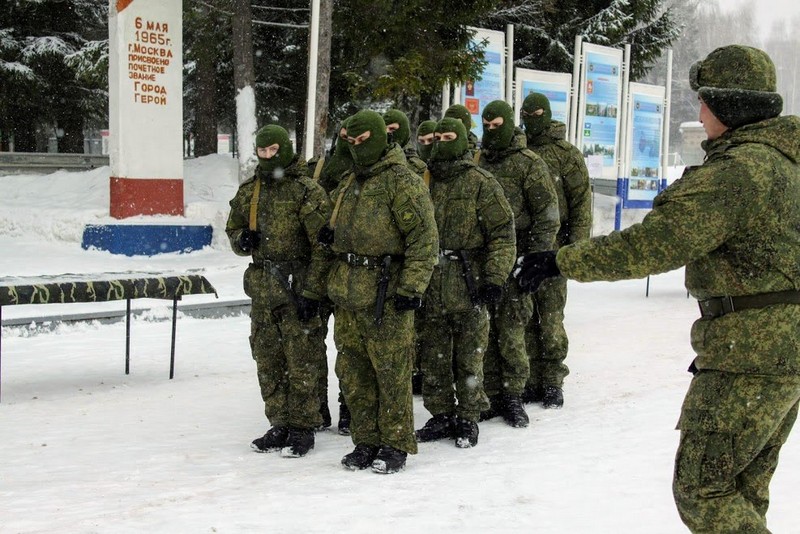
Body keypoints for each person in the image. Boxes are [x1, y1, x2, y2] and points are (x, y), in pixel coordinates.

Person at [517, 45, 800, 533]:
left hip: (749, 352)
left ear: (728, 106)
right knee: (742, 489)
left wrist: (560, 260)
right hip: (781, 349)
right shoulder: (786, 164)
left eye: (705, 101)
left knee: (703, 491)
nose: (700, 111)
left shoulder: (740, 172)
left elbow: (651, 246)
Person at [319, 109, 438, 474]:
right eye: (350, 143)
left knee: (391, 373)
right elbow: (332, 227)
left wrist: (412, 287)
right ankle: (366, 439)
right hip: (348, 293)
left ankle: (395, 443)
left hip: (387, 294)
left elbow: (423, 238)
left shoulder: (401, 181)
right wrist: (330, 235)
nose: (356, 149)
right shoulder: (348, 183)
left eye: (362, 141)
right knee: (354, 373)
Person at [226, 124, 332, 458]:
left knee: (302, 360)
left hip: (298, 284)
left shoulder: (305, 190)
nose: (268, 156)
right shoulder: (251, 191)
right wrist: (241, 240)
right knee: (267, 357)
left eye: (273, 150)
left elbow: (323, 246)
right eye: (262, 151)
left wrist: (312, 292)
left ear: (284, 148)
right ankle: (279, 422)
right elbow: (234, 226)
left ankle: (303, 427)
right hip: (264, 288)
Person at [415, 117, 516, 448]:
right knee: (432, 354)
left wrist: (494, 277)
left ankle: (469, 415)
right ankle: (441, 413)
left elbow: (502, 234)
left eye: (449, 136)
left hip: (467, 281)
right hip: (429, 283)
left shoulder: (480, 182)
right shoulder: (422, 180)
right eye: (438, 137)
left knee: (470, 355)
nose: (442, 142)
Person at [477, 100, 560, 428]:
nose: (490, 131)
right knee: (483, 329)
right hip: (484, 261)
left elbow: (547, 216)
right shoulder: (478, 160)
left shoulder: (529, 164)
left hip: (518, 257)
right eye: (486, 125)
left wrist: (533, 261)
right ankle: (490, 391)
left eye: (497, 124)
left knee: (512, 328)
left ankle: (513, 393)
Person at [519, 92, 592, 408]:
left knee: (549, 317)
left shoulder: (567, 155)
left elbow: (581, 204)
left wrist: (573, 252)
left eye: (536, 112)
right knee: (522, 316)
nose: (531, 118)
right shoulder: (518, 151)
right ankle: (527, 380)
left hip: (554, 250)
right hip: (522, 247)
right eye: (526, 113)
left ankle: (551, 380)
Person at [383, 109, 427, 177]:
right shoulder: (374, 162)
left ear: (404, 131)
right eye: (384, 129)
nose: (388, 133)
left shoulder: (417, 167)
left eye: (392, 129)